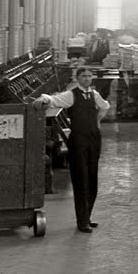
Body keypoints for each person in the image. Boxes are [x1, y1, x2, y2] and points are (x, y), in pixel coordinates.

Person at [37, 66, 112, 234]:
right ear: (77, 78)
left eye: (89, 76)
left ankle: (87, 217)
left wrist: (97, 120)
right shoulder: (71, 95)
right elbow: (54, 100)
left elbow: (105, 106)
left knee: (92, 178)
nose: (87, 79)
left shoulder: (95, 95)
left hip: (94, 139)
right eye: (83, 76)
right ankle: (82, 221)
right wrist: (43, 99)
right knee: (81, 179)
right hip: (78, 140)